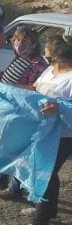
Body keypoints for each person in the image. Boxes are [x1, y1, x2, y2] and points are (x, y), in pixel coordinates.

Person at [0, 27, 48, 196]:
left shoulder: (38, 64)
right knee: (1, 143)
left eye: (24, 41)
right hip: (8, 108)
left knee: (18, 149)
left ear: (34, 44)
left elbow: (36, 89)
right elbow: (9, 77)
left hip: (24, 113)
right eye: (16, 40)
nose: (19, 44)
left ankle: (14, 188)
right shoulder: (20, 58)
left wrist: (11, 87)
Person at [22, 35, 72, 225]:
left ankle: (41, 219)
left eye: (48, 47)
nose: (45, 50)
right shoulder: (51, 70)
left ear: (58, 54)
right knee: (49, 172)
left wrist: (59, 108)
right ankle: (50, 212)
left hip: (63, 135)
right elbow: (36, 88)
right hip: (43, 129)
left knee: (46, 172)